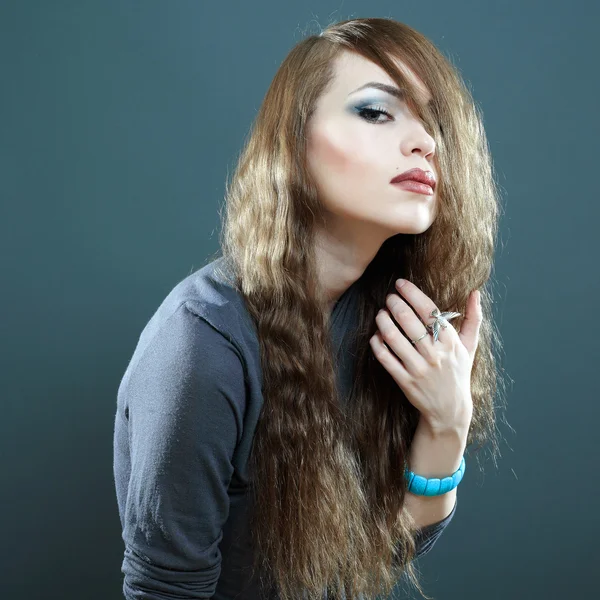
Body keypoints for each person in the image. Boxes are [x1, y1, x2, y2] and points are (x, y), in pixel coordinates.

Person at [113, 16, 507, 600]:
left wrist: (447, 425)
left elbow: (365, 566)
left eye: (435, 121)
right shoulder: (201, 347)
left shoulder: (384, 316)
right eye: (376, 111)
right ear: (294, 145)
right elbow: (164, 590)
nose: (425, 140)